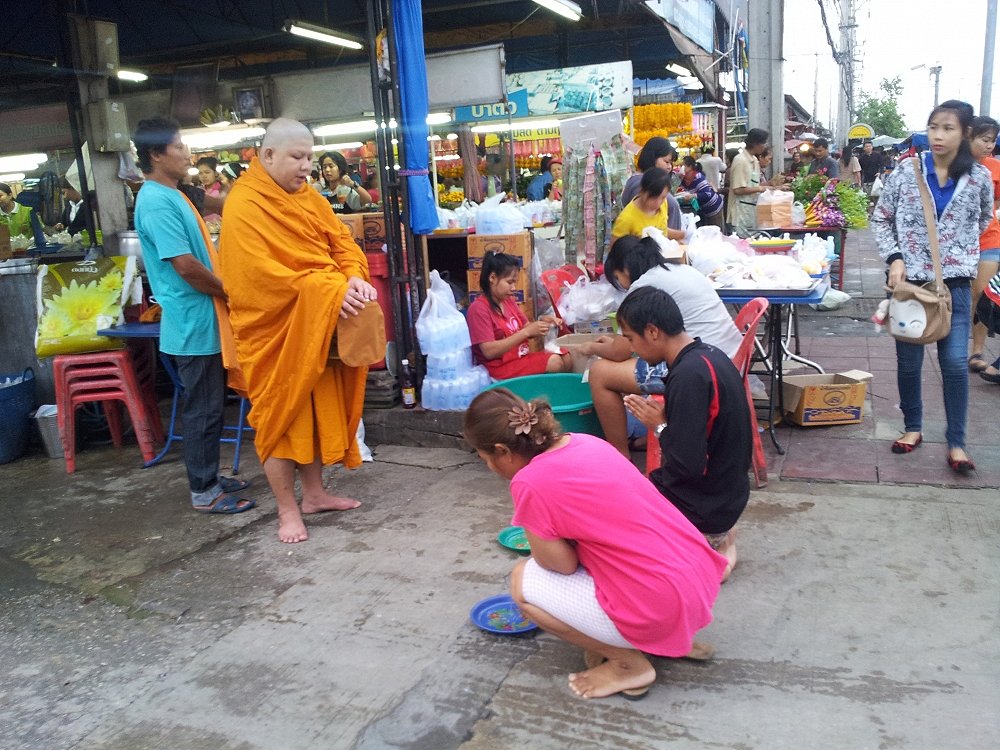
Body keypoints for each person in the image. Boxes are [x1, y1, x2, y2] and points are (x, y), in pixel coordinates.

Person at [464, 388, 726, 700]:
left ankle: (628, 665)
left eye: (486, 459)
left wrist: (538, 527)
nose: (490, 468)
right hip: (696, 582)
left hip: (660, 602)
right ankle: (671, 638)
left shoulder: (529, 481)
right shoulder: (585, 441)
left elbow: (560, 564)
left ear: (502, 451)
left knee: (523, 582)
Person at [219, 118, 376, 543]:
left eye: (310, 156)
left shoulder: (311, 199)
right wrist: (327, 289)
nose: (308, 166)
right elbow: (254, 276)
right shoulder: (245, 205)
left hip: (318, 324)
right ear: (267, 155)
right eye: (298, 157)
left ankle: (315, 494)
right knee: (280, 420)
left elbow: (342, 244)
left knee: (315, 411)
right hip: (274, 330)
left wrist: (353, 276)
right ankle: (287, 512)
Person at [131, 117, 256, 516]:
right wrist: (230, 290)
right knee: (202, 409)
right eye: (179, 146)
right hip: (192, 322)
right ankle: (204, 491)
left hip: (205, 318)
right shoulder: (154, 201)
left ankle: (211, 477)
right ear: (156, 154)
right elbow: (185, 266)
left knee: (211, 405)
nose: (186, 153)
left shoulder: (177, 194)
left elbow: (222, 209)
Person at [871, 100, 993, 474]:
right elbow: (882, 217)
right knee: (909, 363)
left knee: (955, 363)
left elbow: (983, 218)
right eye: (933, 127)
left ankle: (957, 441)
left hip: (954, 286)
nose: (938, 135)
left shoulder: (979, 177)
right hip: (909, 286)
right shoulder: (907, 171)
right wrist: (896, 256)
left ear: (965, 133)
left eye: (948, 128)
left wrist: (959, 253)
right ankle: (912, 427)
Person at [617, 286, 751, 581]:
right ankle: (717, 538)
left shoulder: (688, 376)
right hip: (729, 494)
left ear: (652, 332)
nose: (631, 349)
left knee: (618, 524)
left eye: (630, 338)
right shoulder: (709, 354)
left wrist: (660, 426)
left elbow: (686, 467)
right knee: (631, 489)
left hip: (707, 504)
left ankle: (711, 553)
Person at [581, 235, 743, 456]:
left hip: (702, 370)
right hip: (728, 359)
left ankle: (619, 455)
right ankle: (655, 434)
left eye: (618, 279)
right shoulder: (682, 270)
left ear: (625, 269)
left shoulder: (643, 286)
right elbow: (633, 343)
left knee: (599, 373)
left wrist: (591, 348)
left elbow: (621, 352)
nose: (623, 285)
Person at [466, 251, 571, 378]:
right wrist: (525, 332)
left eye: (514, 283)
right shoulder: (478, 309)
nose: (514, 288)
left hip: (519, 358)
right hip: (498, 367)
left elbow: (527, 327)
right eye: (510, 282)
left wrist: (543, 322)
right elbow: (489, 351)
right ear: (492, 278)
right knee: (555, 363)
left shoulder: (508, 301)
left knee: (566, 357)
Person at [967, 116, 1000, 377]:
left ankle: (976, 351)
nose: (989, 145)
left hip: (989, 238)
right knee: (961, 297)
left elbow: (996, 203)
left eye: (992, 140)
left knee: (982, 294)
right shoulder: (956, 166)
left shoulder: (995, 168)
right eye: (984, 139)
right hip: (958, 242)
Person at [620, 137, 684, 236]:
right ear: (652, 158)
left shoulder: (648, 182)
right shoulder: (640, 184)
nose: (669, 167)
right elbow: (645, 225)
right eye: (666, 162)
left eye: (671, 163)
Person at [611, 168, 685, 242]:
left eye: (663, 197)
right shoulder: (626, 219)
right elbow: (615, 249)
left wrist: (682, 235)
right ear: (642, 191)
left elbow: (662, 231)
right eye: (653, 198)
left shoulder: (663, 204)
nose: (658, 203)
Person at [726, 128, 769, 237]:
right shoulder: (740, 160)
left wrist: (773, 186)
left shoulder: (754, 160)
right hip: (740, 213)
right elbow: (738, 189)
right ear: (754, 143)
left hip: (751, 211)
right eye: (763, 143)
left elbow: (753, 185)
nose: (764, 146)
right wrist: (761, 188)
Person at [677, 156, 724, 228]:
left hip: (714, 206)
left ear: (690, 167)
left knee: (715, 230)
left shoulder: (698, 177)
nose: (680, 167)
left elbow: (707, 194)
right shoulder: (684, 178)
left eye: (682, 165)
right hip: (704, 209)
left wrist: (693, 196)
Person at [196, 156, 223, 222]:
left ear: (216, 173)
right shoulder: (197, 192)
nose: (204, 176)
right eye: (200, 173)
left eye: (207, 172)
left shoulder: (222, 191)